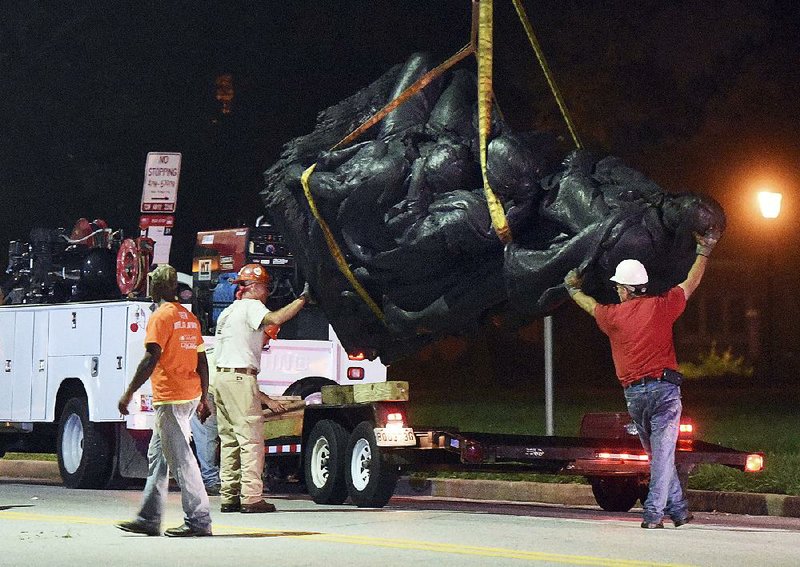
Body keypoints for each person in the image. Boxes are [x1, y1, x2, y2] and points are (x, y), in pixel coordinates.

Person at [564, 229, 720, 529]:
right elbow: (691, 282)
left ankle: (674, 511)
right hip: (664, 392)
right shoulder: (662, 306)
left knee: (659, 454)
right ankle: (657, 513)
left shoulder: (613, 317)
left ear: (625, 289)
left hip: (635, 397)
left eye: (619, 288)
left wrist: (572, 290)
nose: (617, 292)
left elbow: (589, 306)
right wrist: (704, 251)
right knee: (661, 456)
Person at [115, 264, 213, 537]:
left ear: (155, 287)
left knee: (181, 459)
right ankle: (149, 517)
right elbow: (202, 361)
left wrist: (129, 392)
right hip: (189, 394)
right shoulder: (188, 317)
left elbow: (151, 357)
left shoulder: (161, 317)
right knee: (158, 457)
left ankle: (199, 520)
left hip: (171, 398)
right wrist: (204, 397)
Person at [213, 263, 310, 513]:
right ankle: (251, 498)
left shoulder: (228, 312)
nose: (267, 293)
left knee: (230, 442)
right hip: (239, 379)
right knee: (251, 441)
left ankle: (229, 496)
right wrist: (303, 299)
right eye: (265, 288)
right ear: (254, 287)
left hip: (222, 381)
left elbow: (242, 343)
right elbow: (276, 318)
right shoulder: (252, 307)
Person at [189, 391, 220, 495]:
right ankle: (211, 480)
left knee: (205, 437)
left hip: (195, 394)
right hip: (204, 393)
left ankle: (210, 479)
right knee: (206, 437)